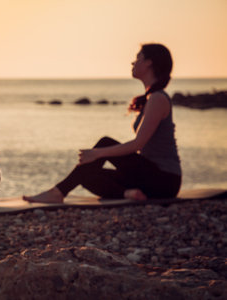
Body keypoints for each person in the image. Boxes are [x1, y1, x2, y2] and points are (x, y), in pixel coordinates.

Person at [23, 43, 182, 203]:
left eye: (138, 58)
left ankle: (57, 193)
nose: (133, 63)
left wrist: (98, 153)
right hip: (149, 179)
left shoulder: (158, 98)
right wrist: (96, 155)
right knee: (85, 175)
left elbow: (137, 145)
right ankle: (127, 194)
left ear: (148, 63)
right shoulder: (151, 98)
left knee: (104, 143)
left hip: (165, 180)